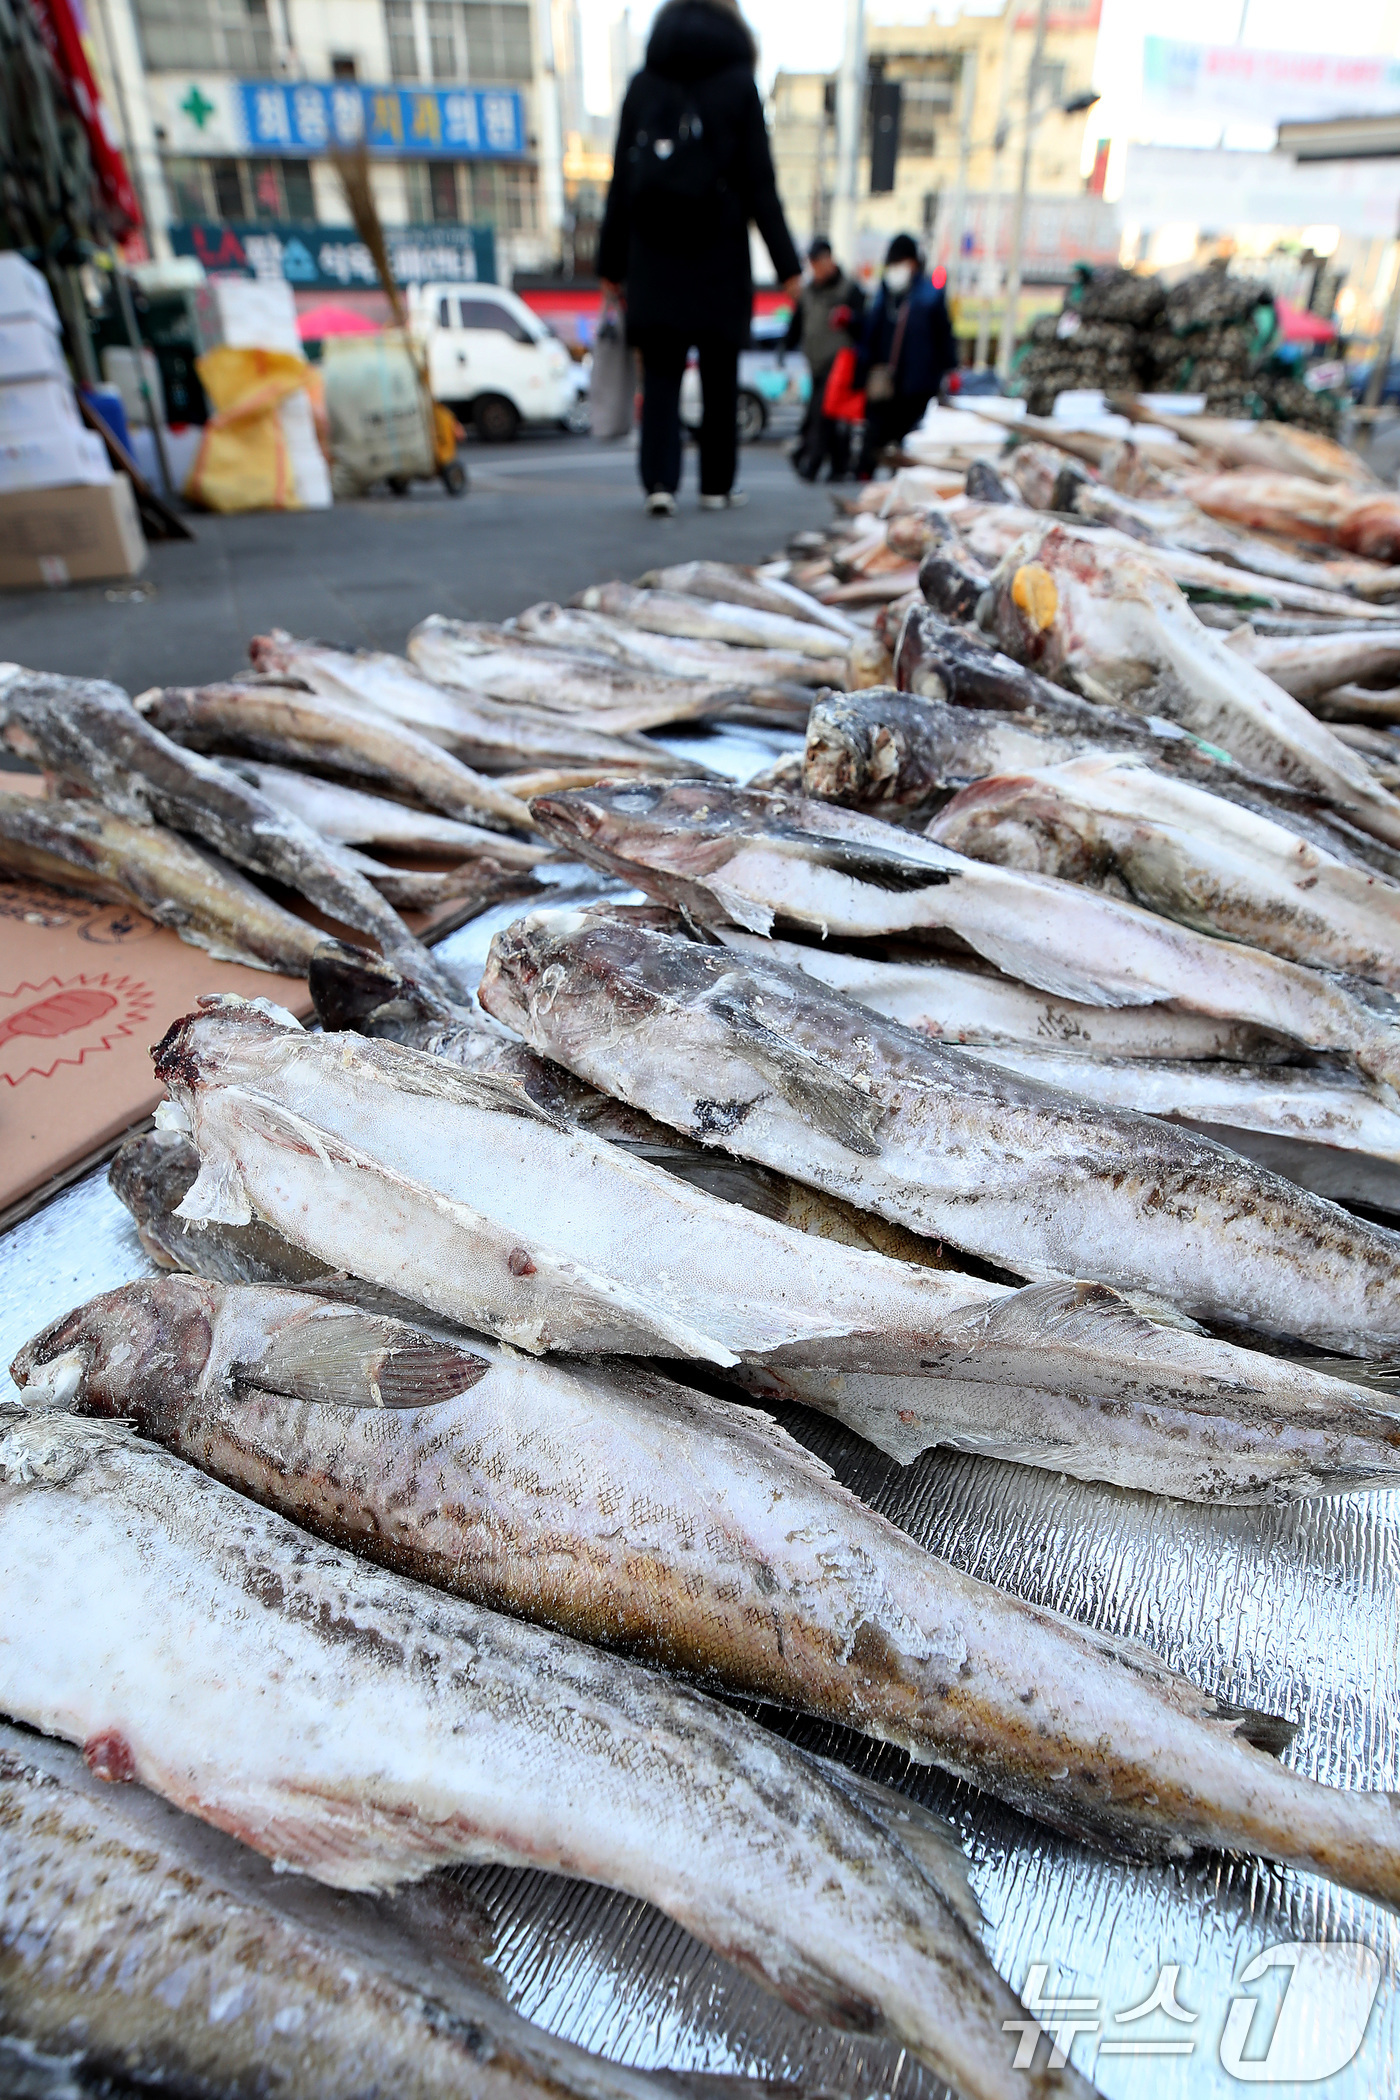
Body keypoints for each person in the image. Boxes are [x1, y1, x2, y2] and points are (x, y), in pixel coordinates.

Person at [596, 0, 802, 516]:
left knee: (661, 379)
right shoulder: (737, 86)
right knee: (719, 380)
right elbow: (761, 185)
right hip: (719, 258)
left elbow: (621, 184)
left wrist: (610, 265)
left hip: (653, 260)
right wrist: (788, 268)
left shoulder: (643, 86)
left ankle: (659, 483)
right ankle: (716, 485)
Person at [853, 233, 957, 481]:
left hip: (918, 385)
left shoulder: (930, 297)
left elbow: (944, 338)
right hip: (885, 383)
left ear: (913, 263)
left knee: (909, 439)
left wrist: (949, 370)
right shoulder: (884, 295)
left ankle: (903, 478)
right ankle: (868, 472)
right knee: (876, 433)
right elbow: (869, 335)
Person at [784, 236, 864, 482]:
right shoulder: (808, 292)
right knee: (826, 414)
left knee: (823, 413)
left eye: (819, 262)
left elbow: (864, 325)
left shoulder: (848, 289)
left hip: (839, 364)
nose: (816, 268)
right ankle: (838, 465)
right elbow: (797, 325)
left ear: (830, 260)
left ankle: (812, 462)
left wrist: (849, 319)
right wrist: (784, 347)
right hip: (815, 364)